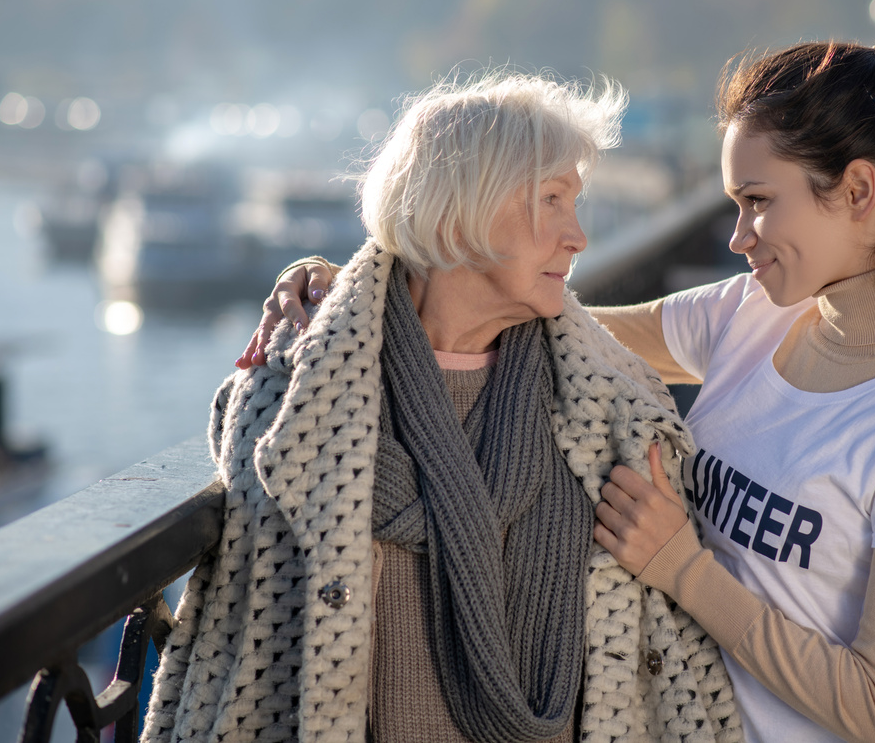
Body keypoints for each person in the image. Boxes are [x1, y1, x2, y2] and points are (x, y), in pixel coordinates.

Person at [244, 39, 875, 743]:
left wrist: (683, 567)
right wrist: (360, 284)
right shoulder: (754, 314)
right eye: (732, 204)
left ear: (859, 192)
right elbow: (548, 315)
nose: (737, 237)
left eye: (759, 203)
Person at [144, 71, 742, 743]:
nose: (577, 237)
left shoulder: (611, 406)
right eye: (551, 200)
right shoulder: (299, 387)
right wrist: (339, 304)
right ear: (463, 210)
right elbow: (245, 626)